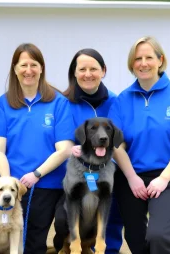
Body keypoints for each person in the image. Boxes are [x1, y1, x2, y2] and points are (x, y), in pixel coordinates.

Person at [0, 43, 75, 254]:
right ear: (15, 69)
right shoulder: (3, 103)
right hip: (14, 188)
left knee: (33, 241)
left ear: (41, 68)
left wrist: (36, 174)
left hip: (46, 185)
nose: (28, 70)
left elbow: (64, 149)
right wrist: (8, 183)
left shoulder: (58, 103)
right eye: (23, 65)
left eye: (33, 65)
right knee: (8, 243)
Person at [108, 36, 170, 254]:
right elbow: (117, 146)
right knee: (135, 238)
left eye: (149, 57)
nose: (143, 63)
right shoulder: (122, 100)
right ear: (131, 64)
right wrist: (132, 177)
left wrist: (163, 179)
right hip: (132, 177)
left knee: (158, 235)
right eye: (138, 58)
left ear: (160, 60)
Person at [53, 48, 123, 254]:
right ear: (74, 72)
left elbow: (120, 140)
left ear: (103, 70)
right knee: (64, 218)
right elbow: (62, 142)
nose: (88, 74)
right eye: (82, 69)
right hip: (73, 175)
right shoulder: (63, 103)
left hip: (106, 172)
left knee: (110, 216)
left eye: (93, 68)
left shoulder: (116, 102)